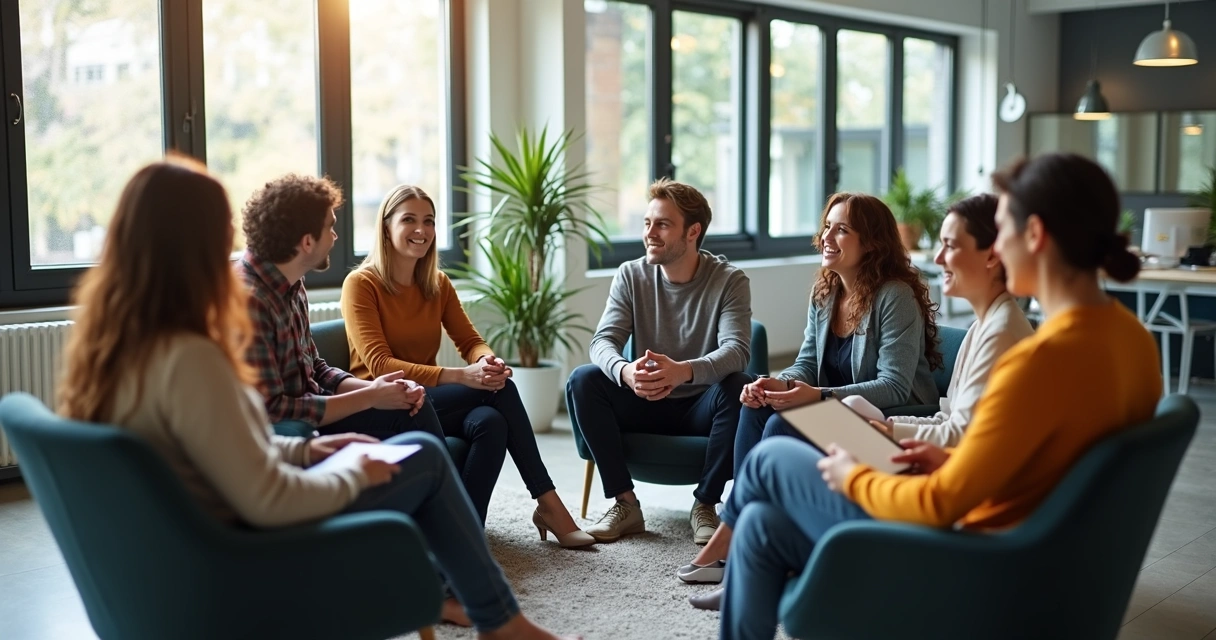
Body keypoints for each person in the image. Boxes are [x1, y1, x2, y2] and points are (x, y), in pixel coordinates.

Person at [57, 157, 577, 640]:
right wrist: (355, 469)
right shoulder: (198, 348)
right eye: (223, 231)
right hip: (244, 543)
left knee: (474, 419)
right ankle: (492, 612)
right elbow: (267, 484)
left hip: (200, 534)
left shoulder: (122, 341)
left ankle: (471, 581)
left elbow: (226, 438)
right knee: (426, 458)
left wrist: (307, 450)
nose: (235, 243)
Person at [709, 153, 1161, 639]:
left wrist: (854, 475)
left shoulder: (1035, 362)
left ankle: (719, 553)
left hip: (971, 558)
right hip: (1037, 550)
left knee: (771, 457)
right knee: (759, 523)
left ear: (1033, 237)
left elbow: (940, 505)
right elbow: (1025, 458)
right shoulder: (1131, 338)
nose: (940, 259)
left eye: (1002, 230)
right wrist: (933, 454)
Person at [678, 192, 940, 587]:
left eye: (842, 229)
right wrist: (774, 384)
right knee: (755, 405)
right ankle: (745, 532)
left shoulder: (894, 296)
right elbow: (806, 365)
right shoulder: (826, 293)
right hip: (835, 413)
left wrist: (815, 397)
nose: (827, 237)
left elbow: (895, 386)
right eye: (827, 227)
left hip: (887, 424)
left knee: (782, 428)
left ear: (871, 243)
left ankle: (734, 539)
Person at [340, 185, 592, 545]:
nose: (421, 230)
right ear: (385, 227)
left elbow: (470, 341)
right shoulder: (361, 284)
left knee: (491, 420)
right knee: (500, 392)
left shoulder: (437, 284)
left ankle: (465, 529)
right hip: (385, 404)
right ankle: (548, 502)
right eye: (408, 219)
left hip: (428, 402)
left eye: (428, 221)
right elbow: (380, 365)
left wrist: (487, 361)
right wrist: (462, 376)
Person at [566, 178, 752, 545]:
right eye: (647, 223)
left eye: (662, 224)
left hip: (700, 406)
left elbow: (737, 350)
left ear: (692, 232)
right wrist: (626, 371)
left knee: (739, 385)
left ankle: (705, 505)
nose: (650, 233)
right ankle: (625, 504)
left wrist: (684, 371)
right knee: (583, 380)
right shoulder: (631, 274)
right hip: (644, 398)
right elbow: (603, 341)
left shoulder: (730, 281)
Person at [236, 174, 442, 442]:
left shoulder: (292, 282)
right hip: (295, 431)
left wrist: (378, 388)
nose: (335, 236)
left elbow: (318, 369)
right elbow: (272, 409)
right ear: (308, 242)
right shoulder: (249, 300)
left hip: (318, 407)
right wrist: (370, 396)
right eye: (330, 227)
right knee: (417, 418)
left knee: (421, 409)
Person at [842, 194, 1035, 447]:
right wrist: (890, 426)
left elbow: (959, 435)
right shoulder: (983, 326)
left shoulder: (1001, 333)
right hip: (953, 458)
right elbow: (948, 419)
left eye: (951, 246)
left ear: (991, 256)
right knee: (851, 409)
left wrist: (891, 433)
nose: (938, 258)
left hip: (964, 473)